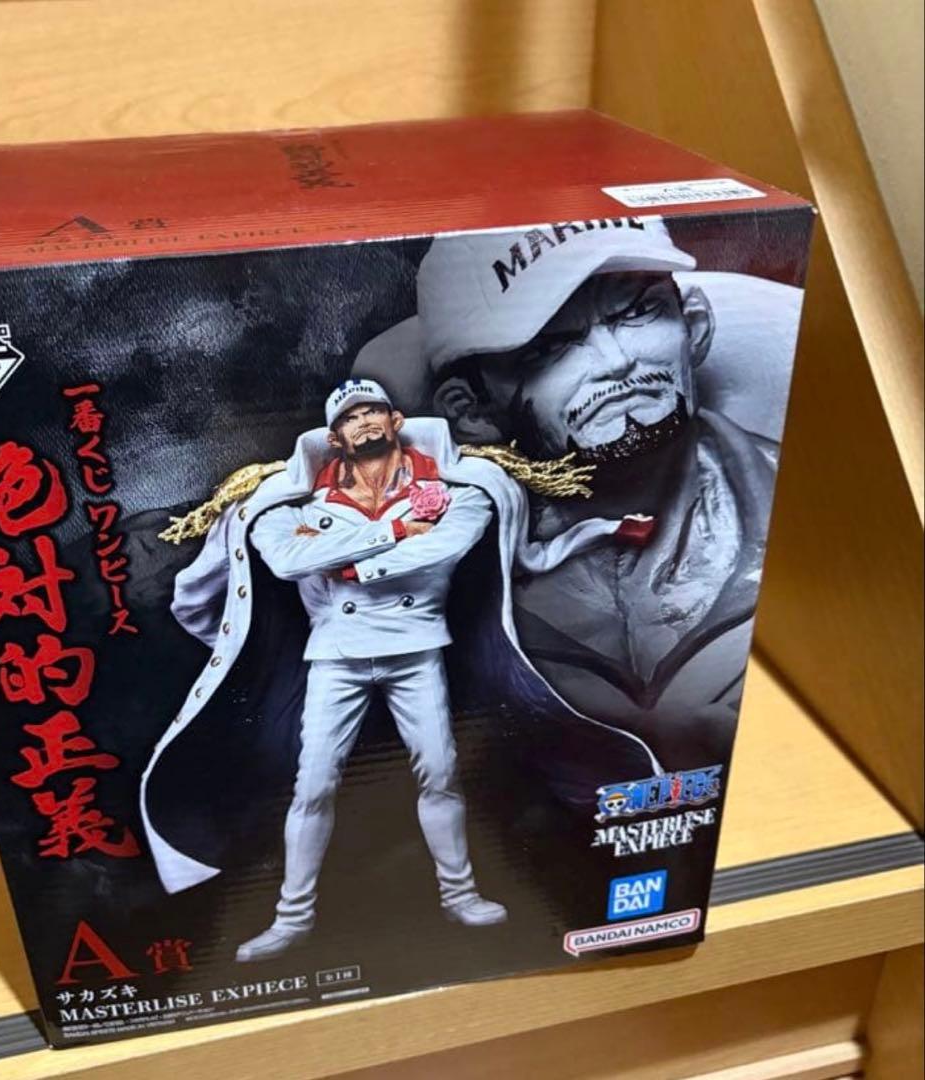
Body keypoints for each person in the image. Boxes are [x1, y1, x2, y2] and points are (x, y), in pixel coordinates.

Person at [141, 378, 660, 963]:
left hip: (418, 649)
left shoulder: (462, 490)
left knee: (440, 773)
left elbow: (444, 546)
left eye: (373, 411)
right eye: (349, 417)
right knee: (313, 786)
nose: (363, 422)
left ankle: (460, 895)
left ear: (395, 421)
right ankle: (291, 919)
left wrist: (351, 566)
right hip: (335, 655)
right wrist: (389, 531)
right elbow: (287, 560)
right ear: (334, 437)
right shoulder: (284, 505)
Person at [354, 218, 795, 764]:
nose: (617, 362)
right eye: (549, 347)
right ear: (471, 412)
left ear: (696, 328)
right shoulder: (440, 581)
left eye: (637, 312)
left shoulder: (816, 517)